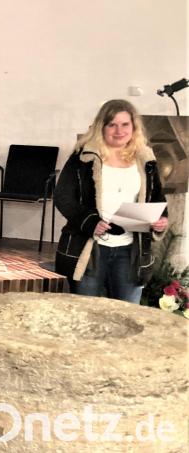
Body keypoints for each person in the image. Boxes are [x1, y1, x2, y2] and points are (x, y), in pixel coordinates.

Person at [54, 99, 168, 303]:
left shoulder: (145, 157)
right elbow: (63, 196)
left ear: (134, 127)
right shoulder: (84, 156)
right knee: (84, 315)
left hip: (130, 250)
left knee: (127, 316)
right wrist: (89, 222)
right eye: (112, 124)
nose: (119, 130)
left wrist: (160, 220)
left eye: (125, 124)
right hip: (90, 249)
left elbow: (157, 197)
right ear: (102, 127)